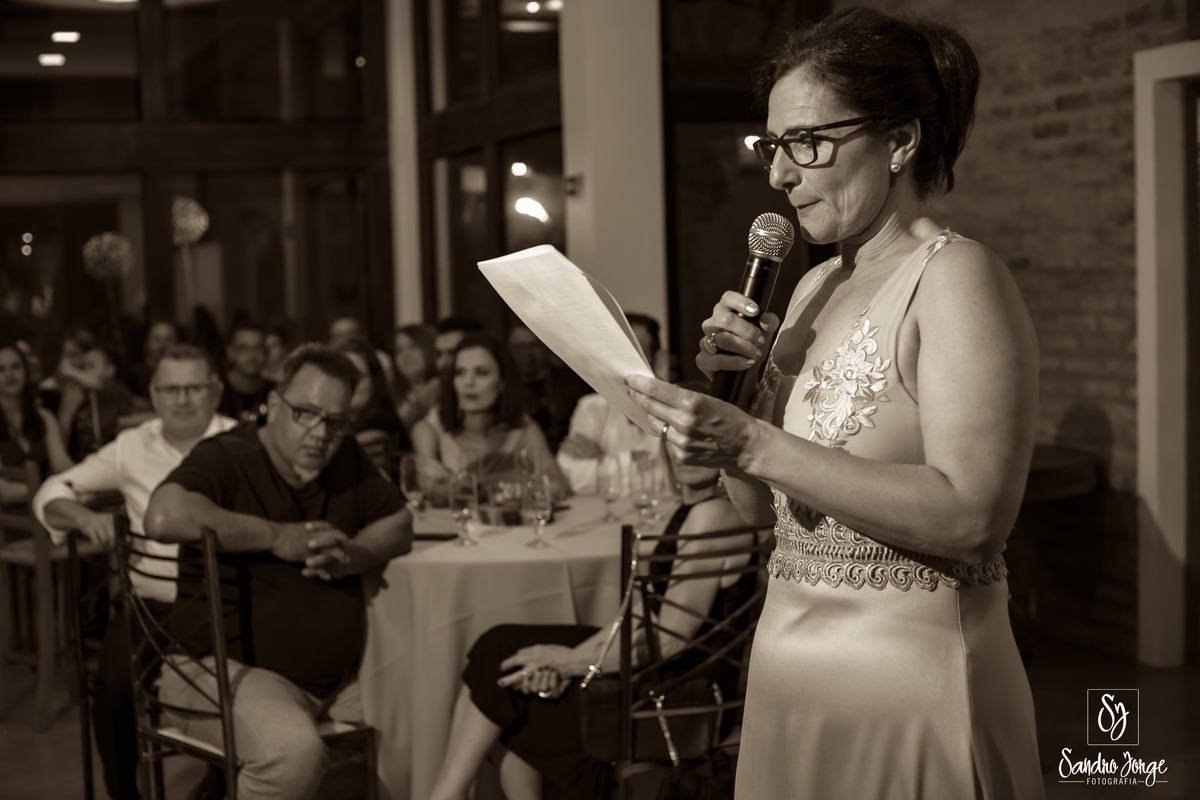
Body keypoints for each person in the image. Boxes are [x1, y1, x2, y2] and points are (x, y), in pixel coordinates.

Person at [624, 8, 1043, 798]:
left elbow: (974, 516)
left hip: (908, 684)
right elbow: (759, 511)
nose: (779, 175)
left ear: (900, 140)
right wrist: (737, 404)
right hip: (791, 667)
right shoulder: (813, 285)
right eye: (773, 146)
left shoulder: (955, 278)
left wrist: (753, 442)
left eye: (807, 143)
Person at [142, 343, 413, 800]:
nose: (320, 434)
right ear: (274, 403)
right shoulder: (228, 455)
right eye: (305, 413)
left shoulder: (345, 456)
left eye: (336, 421)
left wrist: (356, 553)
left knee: (434, 708)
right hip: (215, 671)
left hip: (337, 682)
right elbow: (163, 517)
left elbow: (399, 521)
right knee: (290, 754)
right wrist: (276, 536)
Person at [426, 456, 758, 800]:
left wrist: (569, 665)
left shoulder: (713, 515)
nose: (687, 451)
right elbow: (641, 611)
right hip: (662, 670)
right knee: (502, 650)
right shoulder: (693, 509)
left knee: (503, 679)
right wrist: (568, 658)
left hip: (681, 696)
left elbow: (669, 640)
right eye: (677, 436)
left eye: (703, 442)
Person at [32, 344, 235, 800]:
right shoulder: (132, 446)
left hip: (228, 605)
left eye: (193, 388)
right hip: (149, 609)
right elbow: (51, 491)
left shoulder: (241, 443)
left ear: (215, 391)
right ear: (154, 393)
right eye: (171, 389)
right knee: (111, 690)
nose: (182, 399)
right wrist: (84, 517)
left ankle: (219, 788)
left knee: (239, 695)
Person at [412, 331, 568, 506]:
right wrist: (512, 480)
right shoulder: (430, 430)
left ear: (502, 382)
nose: (468, 382)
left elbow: (557, 485)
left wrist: (470, 483)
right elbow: (434, 492)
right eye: (460, 372)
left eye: (481, 373)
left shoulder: (522, 428)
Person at [556, 313, 664, 494]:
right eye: (618, 353)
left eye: (636, 354)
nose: (623, 364)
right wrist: (633, 460)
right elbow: (570, 476)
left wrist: (602, 460)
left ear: (657, 359)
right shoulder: (590, 408)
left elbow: (669, 477)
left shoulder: (674, 409)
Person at [0, 341, 72, 507]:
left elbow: (62, 464)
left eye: (15, 367)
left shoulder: (44, 417)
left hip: (48, 507)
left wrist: (86, 478)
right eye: (1, 369)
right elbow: (3, 489)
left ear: (26, 371)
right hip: (9, 517)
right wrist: (52, 489)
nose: (9, 374)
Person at [507, 324, 590, 454]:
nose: (528, 353)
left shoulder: (573, 382)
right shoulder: (502, 386)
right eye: (520, 347)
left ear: (545, 346)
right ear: (510, 349)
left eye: (534, 345)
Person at [337, 335, 412, 471]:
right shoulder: (340, 423)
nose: (352, 385)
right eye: (343, 376)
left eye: (358, 376)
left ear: (375, 379)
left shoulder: (381, 421)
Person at [58, 340, 135, 461]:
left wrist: (70, 371)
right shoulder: (84, 394)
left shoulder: (114, 388)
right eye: (83, 367)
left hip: (110, 451)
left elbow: (97, 383)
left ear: (110, 369)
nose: (85, 372)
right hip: (84, 454)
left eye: (91, 365)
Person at [391, 323, 441, 431]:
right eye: (399, 350)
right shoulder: (391, 398)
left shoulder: (445, 389)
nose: (406, 354)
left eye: (413, 346)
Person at [126, 319, 179, 399]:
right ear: (147, 343)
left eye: (167, 340)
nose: (162, 345)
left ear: (176, 343)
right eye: (156, 340)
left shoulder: (184, 373)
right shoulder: (133, 375)